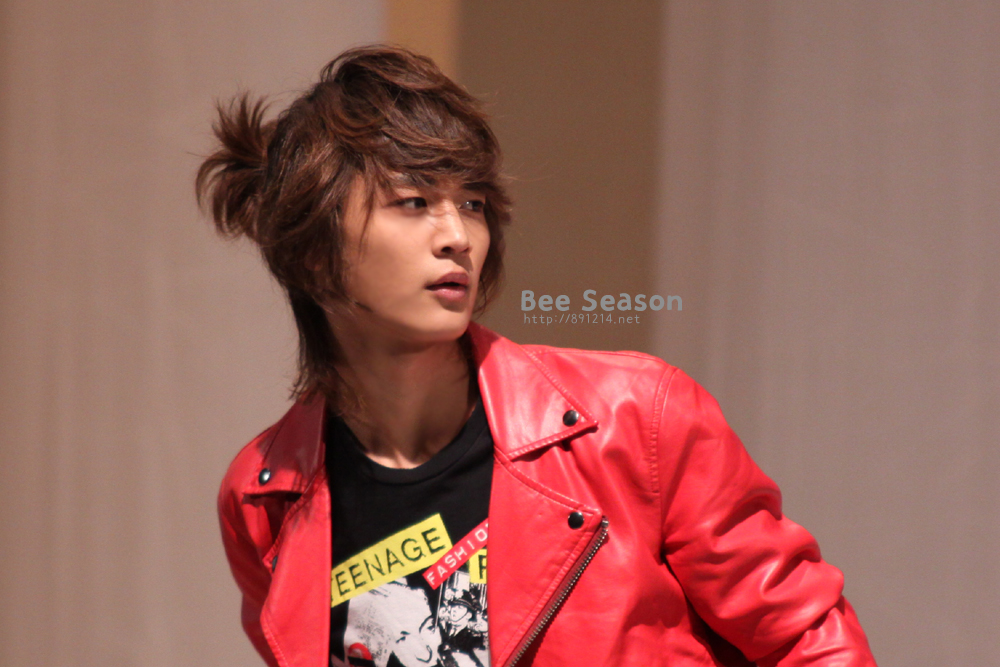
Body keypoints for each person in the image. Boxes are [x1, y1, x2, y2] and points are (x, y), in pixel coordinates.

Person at [197, 44, 878, 667]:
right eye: (414, 201)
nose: (457, 235)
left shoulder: (636, 419)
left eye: (471, 202)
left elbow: (810, 641)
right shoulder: (262, 495)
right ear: (313, 253)